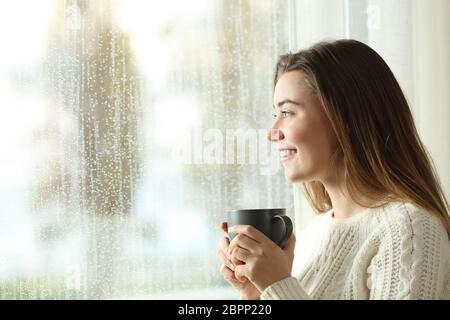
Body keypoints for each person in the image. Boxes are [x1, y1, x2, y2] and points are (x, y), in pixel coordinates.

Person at [217, 39, 450, 300]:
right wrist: (255, 294)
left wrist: (278, 285)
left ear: (344, 118)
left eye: (287, 112)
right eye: (276, 115)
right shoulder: (315, 233)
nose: (272, 133)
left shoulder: (409, 229)